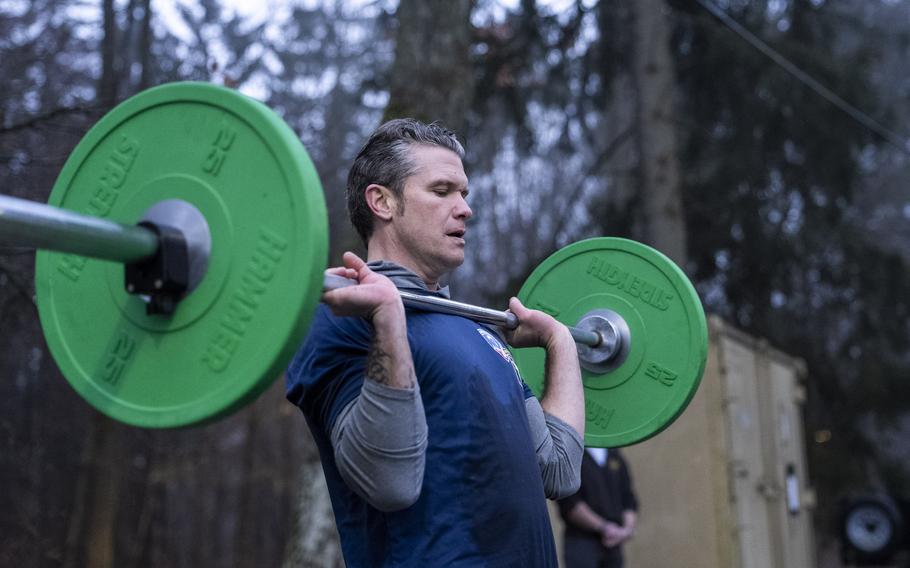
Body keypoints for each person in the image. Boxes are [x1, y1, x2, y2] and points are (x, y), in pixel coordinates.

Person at [285, 118, 586, 567]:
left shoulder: (481, 333)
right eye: (443, 190)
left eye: (464, 193)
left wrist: (561, 343)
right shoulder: (339, 315)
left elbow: (558, 470)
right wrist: (388, 319)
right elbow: (389, 482)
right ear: (382, 201)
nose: (465, 208)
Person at [558, 447, 638, 568]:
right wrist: (604, 527)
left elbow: (629, 499)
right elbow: (570, 503)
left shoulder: (614, 455)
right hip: (581, 542)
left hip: (613, 545)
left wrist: (626, 530)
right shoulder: (572, 454)